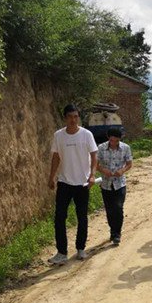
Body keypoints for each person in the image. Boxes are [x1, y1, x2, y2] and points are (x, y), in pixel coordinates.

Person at [48, 104, 98, 264]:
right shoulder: (59, 135)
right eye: (70, 117)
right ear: (65, 118)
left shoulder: (86, 134)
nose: (73, 120)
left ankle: (81, 249)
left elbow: (94, 155)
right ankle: (61, 252)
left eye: (76, 117)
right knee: (59, 217)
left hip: (82, 183)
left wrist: (92, 175)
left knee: (82, 217)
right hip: (64, 182)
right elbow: (56, 157)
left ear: (78, 118)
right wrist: (51, 176)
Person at [97, 128, 133, 245]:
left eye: (116, 141)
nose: (114, 143)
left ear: (120, 139)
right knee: (109, 209)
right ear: (108, 138)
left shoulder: (125, 148)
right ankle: (112, 231)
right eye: (112, 140)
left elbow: (129, 164)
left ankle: (117, 234)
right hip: (106, 184)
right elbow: (95, 164)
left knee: (118, 207)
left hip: (120, 183)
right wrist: (103, 170)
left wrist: (122, 170)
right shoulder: (101, 148)